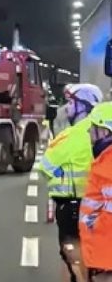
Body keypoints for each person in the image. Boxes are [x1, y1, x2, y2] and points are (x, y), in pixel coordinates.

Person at [40, 83, 102, 282]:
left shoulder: (71, 135)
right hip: (100, 208)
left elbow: (45, 166)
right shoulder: (102, 131)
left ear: (83, 105)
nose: (67, 108)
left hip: (71, 206)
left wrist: (62, 172)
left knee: (72, 258)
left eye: (70, 102)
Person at [78, 102, 112, 281]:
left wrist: (93, 226)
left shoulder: (108, 164)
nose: (89, 133)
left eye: (94, 128)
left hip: (106, 259)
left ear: (106, 132)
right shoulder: (104, 161)